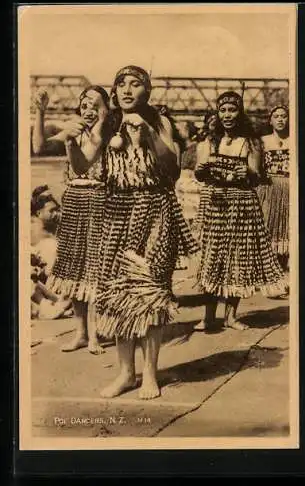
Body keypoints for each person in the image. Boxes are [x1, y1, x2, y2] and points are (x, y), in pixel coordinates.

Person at [95, 65, 199, 399]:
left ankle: (151, 374)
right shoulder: (108, 122)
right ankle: (126, 373)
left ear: (147, 91)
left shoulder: (160, 122)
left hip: (156, 209)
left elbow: (172, 170)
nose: (127, 90)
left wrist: (149, 137)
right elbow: (85, 166)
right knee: (116, 291)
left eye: (135, 84)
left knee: (152, 290)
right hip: (116, 212)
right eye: (121, 83)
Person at [193, 91, 286, 332]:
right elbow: (199, 173)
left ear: (240, 112)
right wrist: (203, 170)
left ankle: (231, 317)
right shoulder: (209, 142)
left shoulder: (252, 142)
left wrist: (249, 173)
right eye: (223, 110)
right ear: (217, 113)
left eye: (232, 110)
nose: (227, 115)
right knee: (212, 258)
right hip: (216, 204)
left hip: (243, 205)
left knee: (238, 260)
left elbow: (257, 176)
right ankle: (208, 316)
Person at [32, 85, 112, 353]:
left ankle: (96, 335)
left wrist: (88, 130)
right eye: (85, 104)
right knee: (75, 270)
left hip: (100, 203)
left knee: (96, 270)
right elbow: (39, 146)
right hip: (74, 202)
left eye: (96, 105)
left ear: (106, 108)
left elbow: (83, 164)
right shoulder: (74, 129)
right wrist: (40, 113)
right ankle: (80, 332)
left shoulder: (109, 132)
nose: (89, 110)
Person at [257, 105, 290, 274]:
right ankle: (267, 273)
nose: (280, 119)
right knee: (267, 228)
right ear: (270, 120)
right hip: (268, 189)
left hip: (288, 189)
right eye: (276, 116)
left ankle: (282, 272)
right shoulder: (263, 141)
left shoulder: (295, 140)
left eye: (283, 116)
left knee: (285, 229)